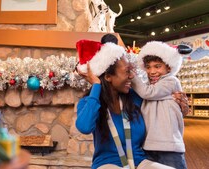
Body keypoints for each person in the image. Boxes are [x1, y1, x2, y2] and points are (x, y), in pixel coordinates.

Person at [75, 39, 175, 169]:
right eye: (127, 71)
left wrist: (177, 100)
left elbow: (160, 104)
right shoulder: (90, 102)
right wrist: (96, 85)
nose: (132, 76)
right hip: (107, 163)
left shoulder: (135, 97)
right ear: (108, 76)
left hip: (140, 162)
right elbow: (84, 127)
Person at [131, 41, 192, 169]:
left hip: (169, 146)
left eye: (157, 66)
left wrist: (132, 77)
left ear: (168, 67)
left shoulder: (170, 81)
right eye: (148, 67)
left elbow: (147, 93)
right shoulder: (149, 86)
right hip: (149, 146)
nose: (152, 71)